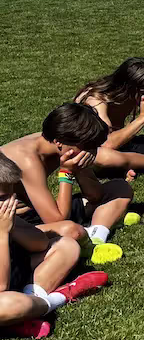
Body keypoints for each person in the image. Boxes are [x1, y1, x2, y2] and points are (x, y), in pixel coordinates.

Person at [0, 155, 108, 340]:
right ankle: (58, 298)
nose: (12, 202)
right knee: (10, 305)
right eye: (3, 197)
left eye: (12, 195)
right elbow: (1, 286)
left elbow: (41, 243)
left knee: (66, 246)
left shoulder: (6, 215)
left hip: (15, 274)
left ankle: (25, 314)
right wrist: (2, 235)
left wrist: (13, 227)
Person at [1, 103, 133, 246]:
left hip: (41, 213)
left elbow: (96, 195)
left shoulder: (62, 143)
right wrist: (67, 172)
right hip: (14, 222)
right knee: (71, 230)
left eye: (93, 147)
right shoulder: (28, 160)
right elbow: (57, 221)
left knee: (121, 188)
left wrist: (80, 169)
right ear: (59, 142)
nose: (90, 153)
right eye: (87, 147)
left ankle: (96, 234)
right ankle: (90, 234)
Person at [74, 57, 144, 174]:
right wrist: (143, 117)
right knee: (104, 156)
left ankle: (142, 164)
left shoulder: (133, 96)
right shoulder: (97, 100)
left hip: (123, 148)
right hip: (95, 154)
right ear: (130, 88)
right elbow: (106, 144)